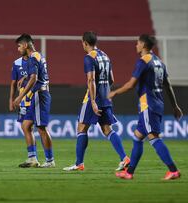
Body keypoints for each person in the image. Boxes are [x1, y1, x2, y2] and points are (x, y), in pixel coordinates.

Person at [109, 34, 183, 180]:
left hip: (148, 104)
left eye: (137, 43)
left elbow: (131, 85)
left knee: (153, 137)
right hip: (156, 104)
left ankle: (173, 170)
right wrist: (175, 106)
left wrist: (114, 93)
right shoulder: (160, 62)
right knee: (137, 137)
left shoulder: (143, 61)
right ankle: (129, 173)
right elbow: (167, 85)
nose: (136, 45)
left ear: (143, 45)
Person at [63, 31, 130, 172]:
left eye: (82, 42)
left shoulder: (89, 58)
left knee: (82, 128)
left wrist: (93, 101)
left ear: (85, 43)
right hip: (106, 96)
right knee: (107, 129)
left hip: (94, 97)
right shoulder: (105, 55)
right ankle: (125, 158)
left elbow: (91, 80)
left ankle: (79, 164)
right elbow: (112, 79)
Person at [13, 33, 55, 168]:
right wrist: (24, 79)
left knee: (41, 128)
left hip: (39, 94)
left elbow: (34, 78)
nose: (18, 49)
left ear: (25, 45)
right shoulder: (37, 56)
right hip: (38, 95)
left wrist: (20, 96)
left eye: (19, 46)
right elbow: (35, 76)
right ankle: (32, 159)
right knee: (26, 126)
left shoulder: (33, 57)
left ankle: (50, 160)